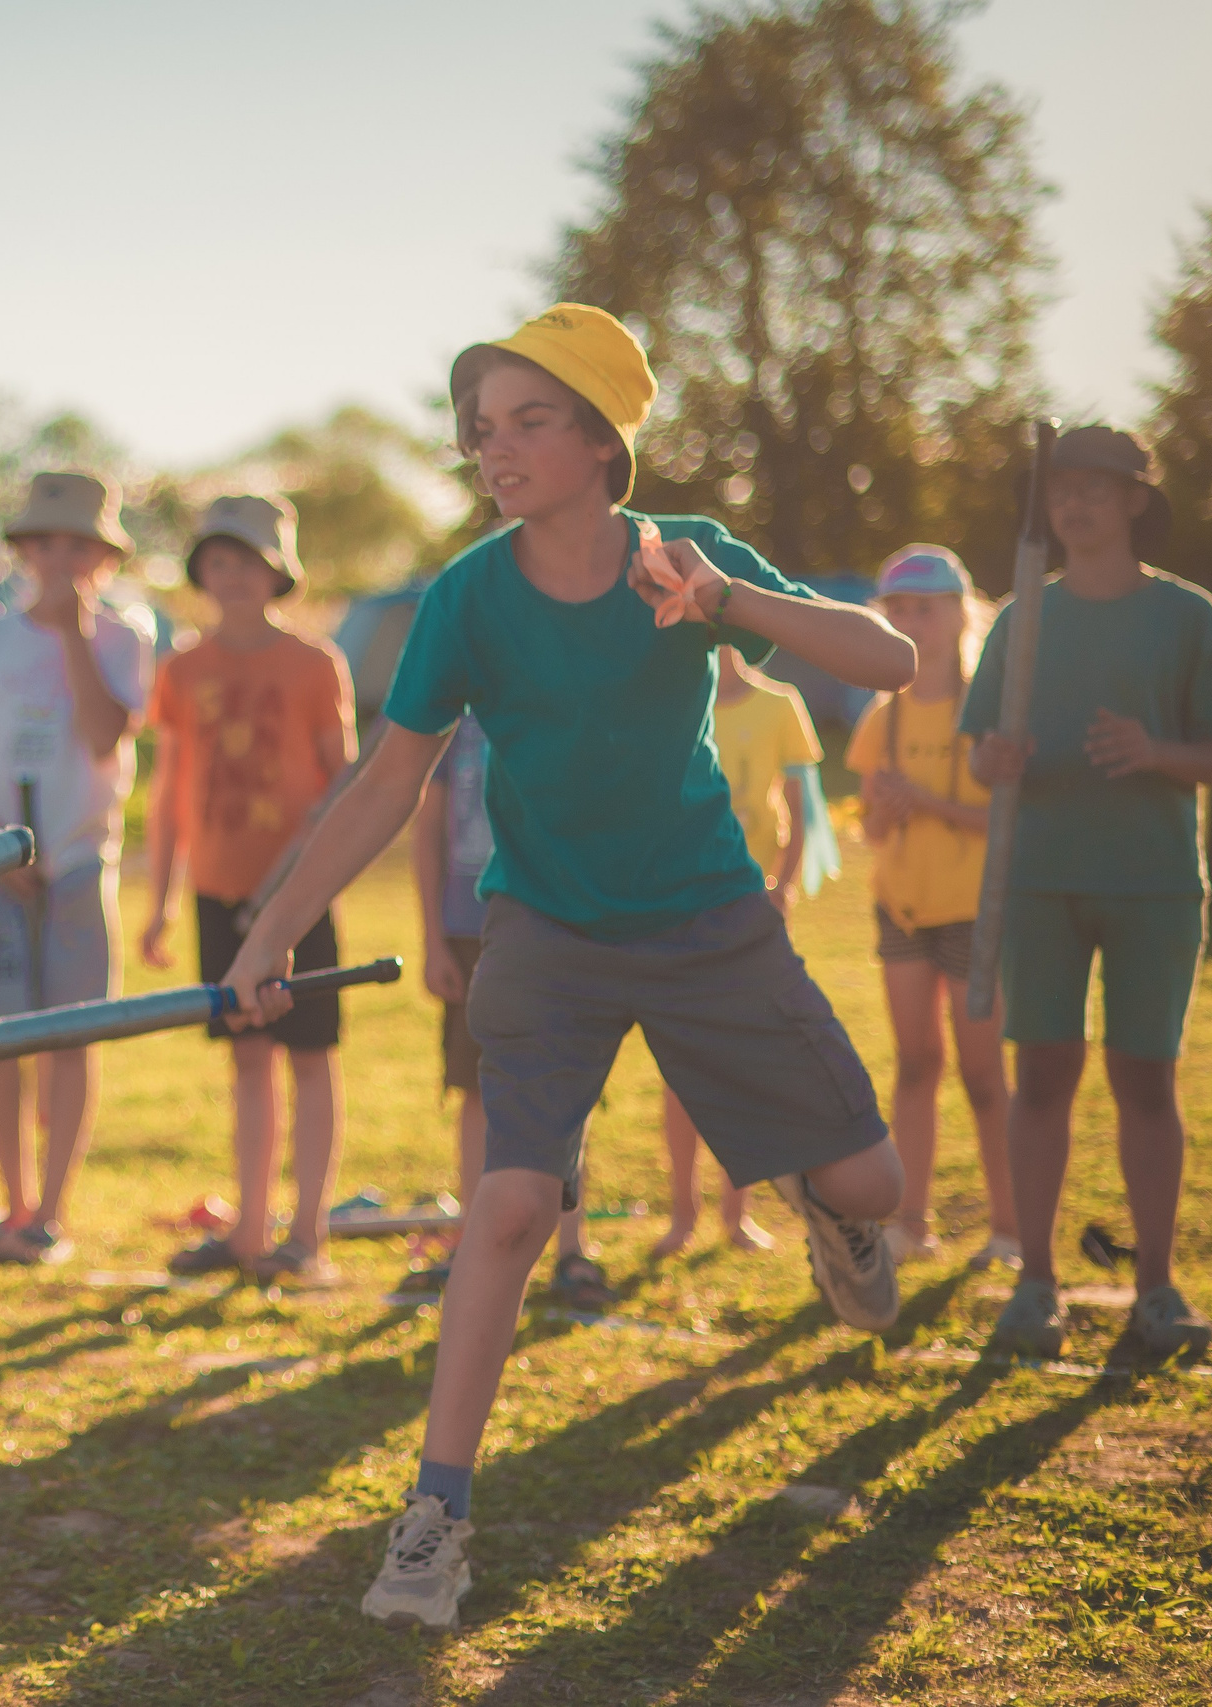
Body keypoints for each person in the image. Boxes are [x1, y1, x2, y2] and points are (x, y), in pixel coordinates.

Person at [220, 304, 913, 1632]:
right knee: (508, 1206)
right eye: (483, 427)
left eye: (529, 421)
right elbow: (387, 783)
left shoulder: (686, 556)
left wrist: (722, 601)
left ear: (603, 441)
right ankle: (434, 1515)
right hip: (543, 929)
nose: (496, 448)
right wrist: (269, 934)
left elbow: (892, 660)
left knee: (873, 1180)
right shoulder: (467, 596)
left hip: (709, 920)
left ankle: (830, 1210)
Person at [965, 425, 1212, 1363]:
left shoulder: (1188, 616)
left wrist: (1154, 749)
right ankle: (1035, 1286)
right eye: (1062, 489)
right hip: (1040, 880)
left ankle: (1157, 1290)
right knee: (1043, 1074)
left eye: (1097, 487)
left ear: (1136, 499)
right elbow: (980, 754)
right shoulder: (1021, 617)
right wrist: (997, 759)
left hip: (1154, 885)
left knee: (1145, 1079)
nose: (1076, 503)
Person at [0, 472, 157, 1266]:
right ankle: (14, 1199)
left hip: (82, 862)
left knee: (72, 1034)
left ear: (105, 558)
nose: (61, 561)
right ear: (23, 552)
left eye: (79, 547)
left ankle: (52, 1208)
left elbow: (104, 736)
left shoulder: (123, 636)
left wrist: (77, 635)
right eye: (46, 544)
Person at [139, 495, 356, 1284]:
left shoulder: (314, 663)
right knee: (247, 1059)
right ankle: (249, 1233)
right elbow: (170, 787)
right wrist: (162, 900)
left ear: (278, 572)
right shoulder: (182, 668)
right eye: (219, 562)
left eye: (250, 562)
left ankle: (308, 1236)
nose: (233, 576)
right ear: (202, 572)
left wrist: (311, 862)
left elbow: (345, 779)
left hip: (299, 894)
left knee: (311, 1055)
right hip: (220, 890)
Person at [403, 711, 612, 1308]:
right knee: (475, 1087)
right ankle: (474, 1239)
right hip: (469, 929)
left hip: (555, 925)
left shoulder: (567, 705)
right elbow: (428, 827)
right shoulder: (455, 719)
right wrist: (433, 939)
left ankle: (570, 1249)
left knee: (564, 1089)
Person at [847, 545, 1016, 1269]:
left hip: (976, 913)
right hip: (903, 910)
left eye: (926, 608)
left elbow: (1010, 821)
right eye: (899, 610)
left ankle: (1009, 1231)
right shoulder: (879, 718)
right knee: (915, 1065)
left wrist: (927, 802)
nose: (912, 622)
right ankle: (910, 1224)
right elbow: (871, 828)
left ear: (960, 613)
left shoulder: (991, 710)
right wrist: (885, 813)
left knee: (984, 1078)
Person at [651, 645, 822, 1256]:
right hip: (683, 912)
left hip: (753, 910)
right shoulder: (669, 705)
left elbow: (801, 813)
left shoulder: (781, 705)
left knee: (744, 1063)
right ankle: (683, 1213)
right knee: (682, 1068)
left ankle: (737, 1213)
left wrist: (783, 889)